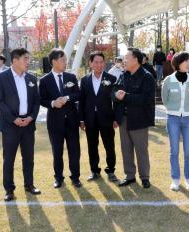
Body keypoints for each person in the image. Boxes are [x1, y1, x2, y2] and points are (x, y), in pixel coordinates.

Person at [0, 48, 41, 201]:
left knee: (29, 157)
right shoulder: (1, 77)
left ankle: (29, 185)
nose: (28, 62)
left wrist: (31, 117)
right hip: (10, 125)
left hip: (28, 124)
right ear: (15, 61)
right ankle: (9, 189)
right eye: (25, 59)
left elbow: (36, 102)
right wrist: (13, 119)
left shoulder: (32, 78)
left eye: (28, 59)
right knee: (9, 159)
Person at [113, 48, 155, 189]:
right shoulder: (123, 75)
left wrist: (125, 96)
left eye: (127, 57)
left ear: (136, 59)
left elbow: (146, 99)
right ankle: (129, 176)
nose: (124, 60)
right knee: (126, 148)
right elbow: (114, 92)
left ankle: (144, 177)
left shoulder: (147, 77)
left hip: (140, 119)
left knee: (141, 149)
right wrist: (115, 95)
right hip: (124, 118)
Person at [39, 48, 81, 189]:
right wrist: (53, 103)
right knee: (57, 151)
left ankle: (75, 177)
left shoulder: (71, 77)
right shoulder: (44, 80)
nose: (65, 62)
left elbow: (78, 94)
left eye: (65, 60)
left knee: (74, 150)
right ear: (54, 62)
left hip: (72, 120)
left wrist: (67, 97)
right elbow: (42, 99)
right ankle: (58, 178)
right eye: (62, 60)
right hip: (55, 122)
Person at [161, 52, 189, 191]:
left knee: (188, 151)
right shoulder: (168, 80)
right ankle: (175, 180)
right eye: (186, 61)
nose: (188, 64)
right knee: (174, 151)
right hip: (172, 119)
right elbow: (165, 99)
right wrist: (173, 110)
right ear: (177, 63)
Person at [79, 51, 119, 182]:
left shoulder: (111, 79)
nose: (99, 65)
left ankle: (111, 171)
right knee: (92, 145)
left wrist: (115, 118)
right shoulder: (84, 80)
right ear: (90, 63)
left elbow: (115, 101)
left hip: (107, 118)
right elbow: (82, 101)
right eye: (96, 62)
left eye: (101, 62)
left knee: (109, 145)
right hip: (90, 119)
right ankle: (94, 171)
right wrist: (81, 119)